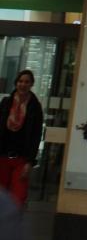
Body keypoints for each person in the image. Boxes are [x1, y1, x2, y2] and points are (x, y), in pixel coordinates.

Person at [0, 70, 43, 208]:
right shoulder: (6, 103)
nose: (23, 84)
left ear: (31, 84)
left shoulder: (35, 107)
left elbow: (36, 136)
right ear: (16, 83)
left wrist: (30, 162)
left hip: (22, 159)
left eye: (27, 82)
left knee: (18, 198)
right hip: (2, 156)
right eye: (20, 81)